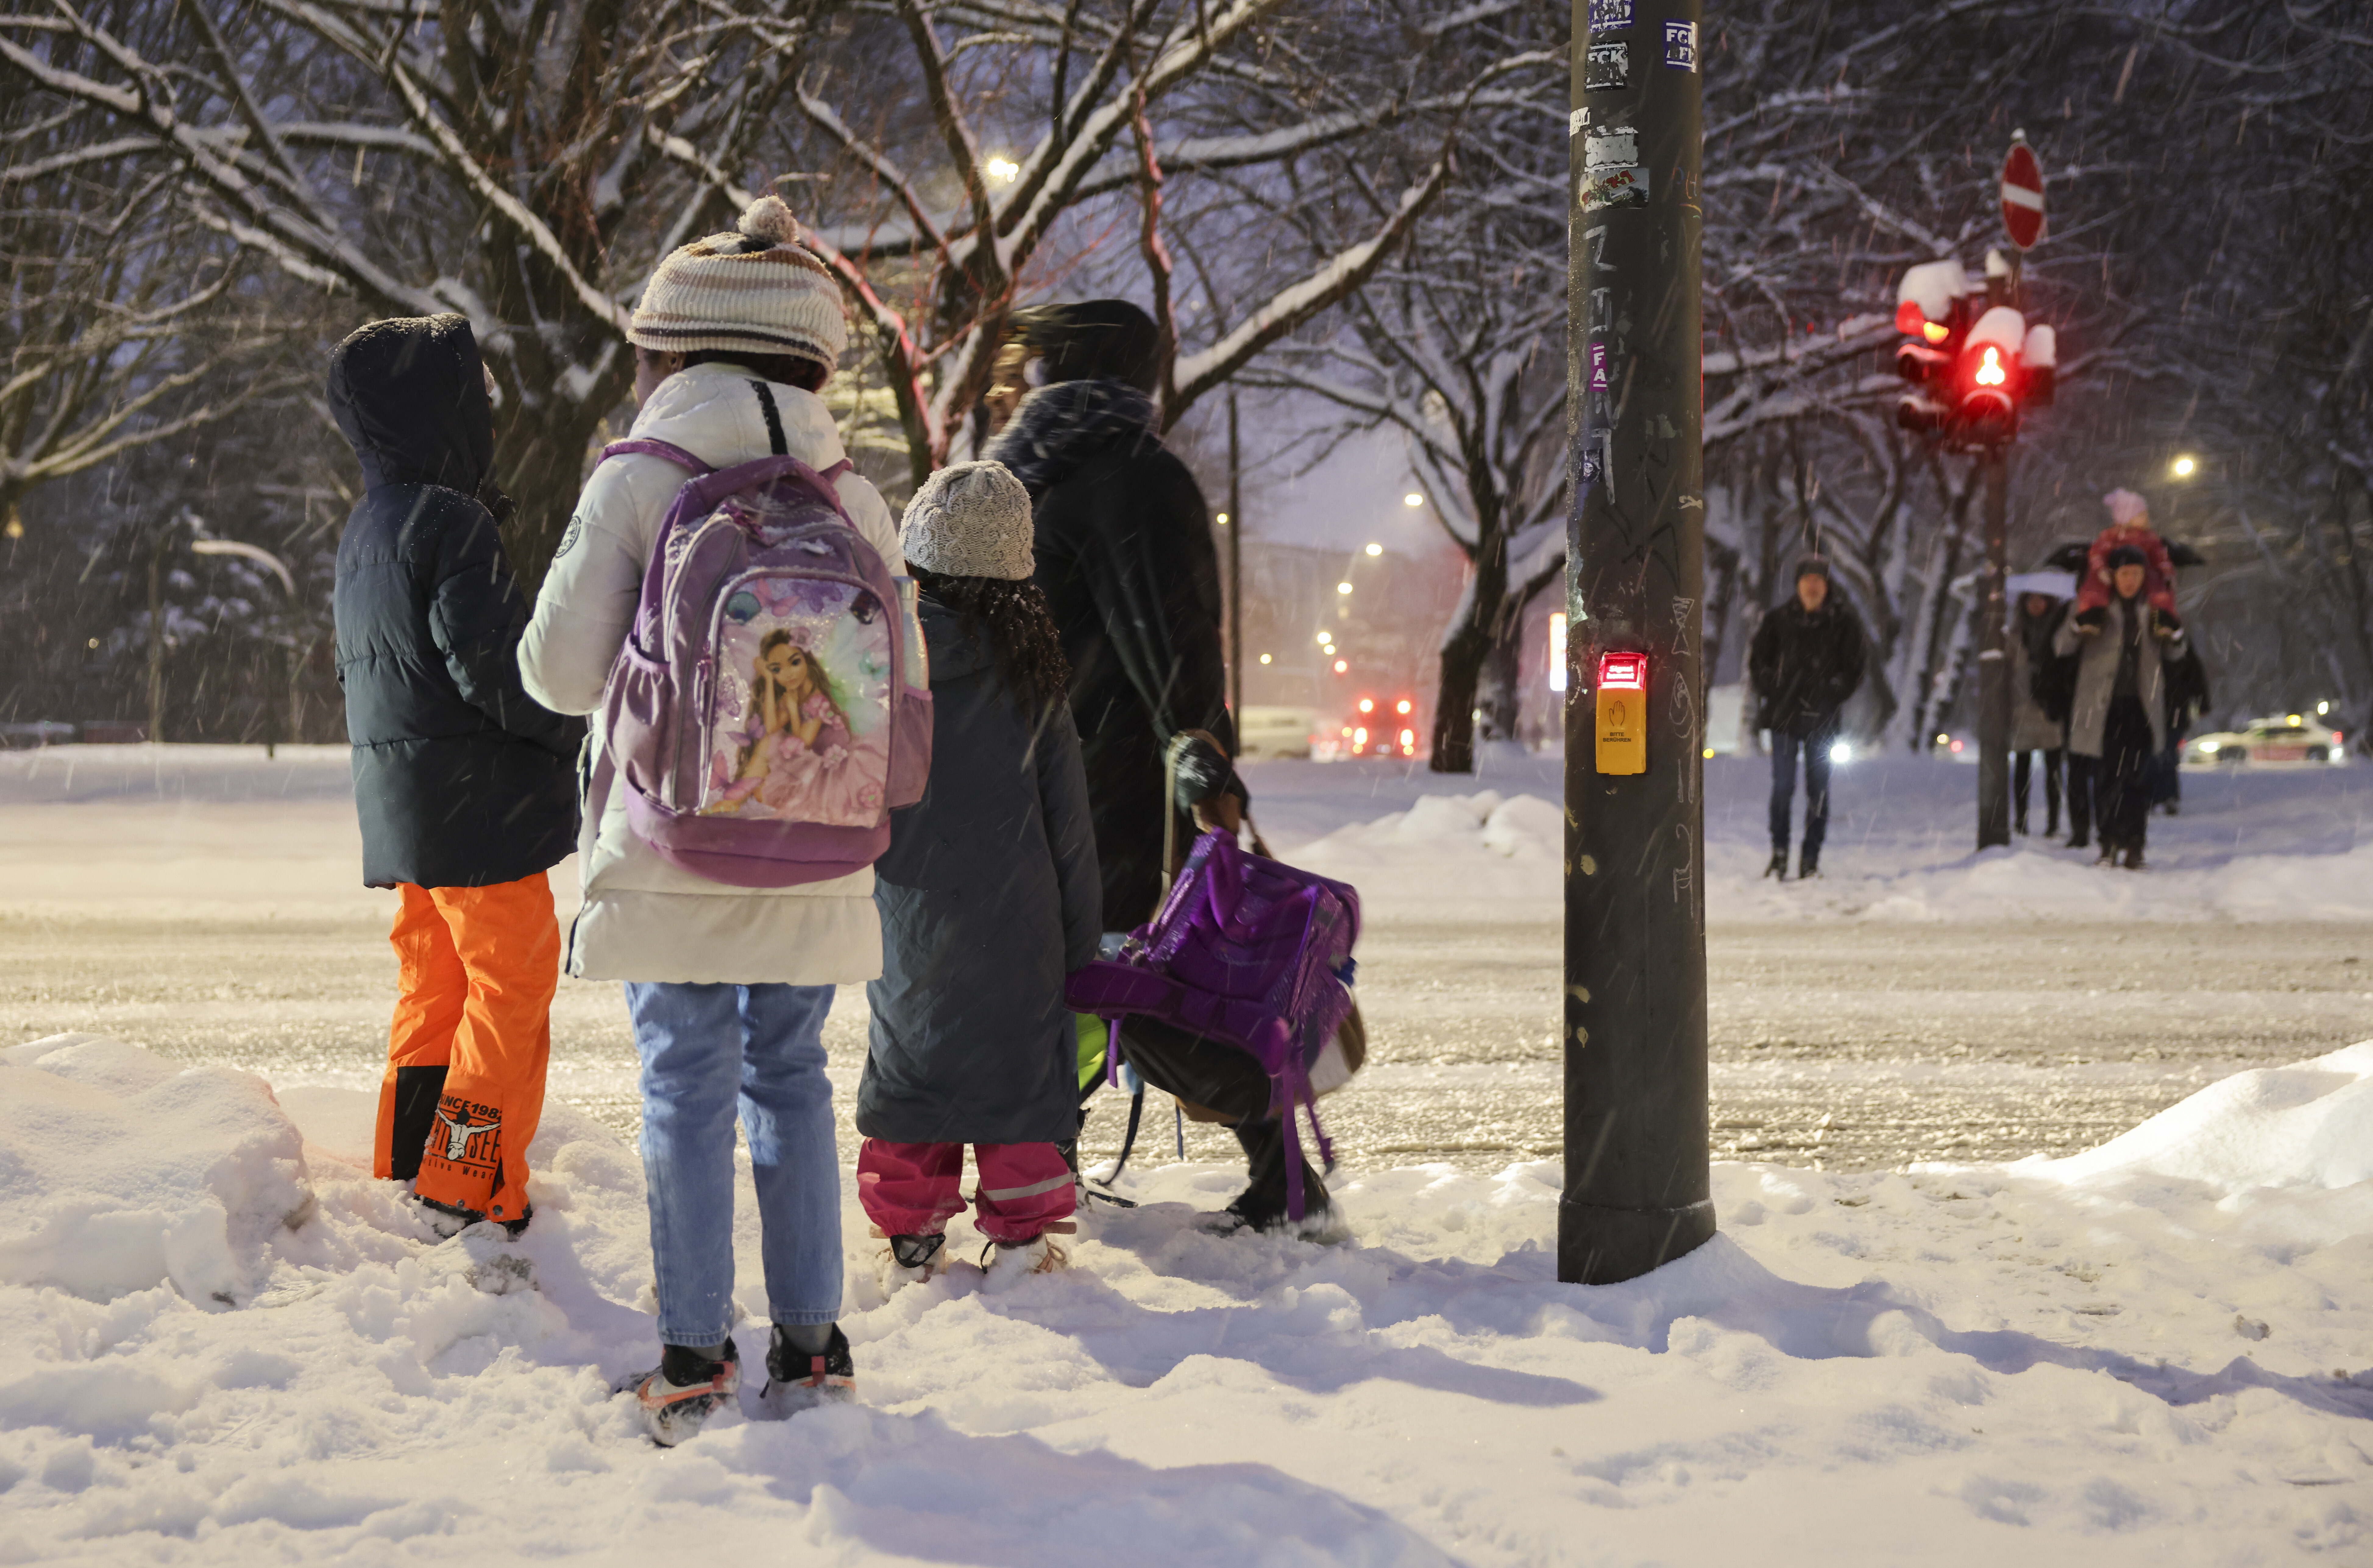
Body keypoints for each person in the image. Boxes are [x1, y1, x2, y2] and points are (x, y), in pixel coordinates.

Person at [518, 196, 892, 1444]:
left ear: (671, 350)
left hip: (675, 832)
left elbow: (558, 672)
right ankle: (813, 1343)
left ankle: (690, 1351)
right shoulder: (858, 497)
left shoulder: (640, 476)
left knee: (683, 1079)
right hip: (821, 844)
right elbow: (907, 697)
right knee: (793, 1075)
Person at [982, 301, 1324, 1238]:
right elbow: (1161, 638)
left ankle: (1053, 1171)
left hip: (1086, 776)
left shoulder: (1069, 478)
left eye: (1038, 361)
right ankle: (1273, 1179)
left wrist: (1192, 754)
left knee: (1116, 981)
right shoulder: (1110, 474)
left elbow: (1156, 638)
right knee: (1117, 978)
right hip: (1096, 774)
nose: (1024, 379)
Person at [328, 312, 581, 1238]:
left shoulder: (369, 525)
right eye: (477, 399)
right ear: (444, 414)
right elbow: (500, 671)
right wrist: (572, 731)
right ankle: (465, 1178)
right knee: (509, 985)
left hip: (408, 814)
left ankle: (409, 1154)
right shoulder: (450, 521)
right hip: (479, 813)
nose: (489, 416)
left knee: (435, 983)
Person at [855, 461, 1102, 1291]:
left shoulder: (886, 661)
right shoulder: (1032, 676)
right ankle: (1026, 1234)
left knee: (911, 1068)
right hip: (1019, 924)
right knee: (1017, 1077)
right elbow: (1069, 829)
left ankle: (911, 1229)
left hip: (907, 914)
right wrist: (1078, 950)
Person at [2054, 545, 2184, 871]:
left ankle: (2135, 843)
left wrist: (2176, 632)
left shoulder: (2154, 608)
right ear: (2112, 576)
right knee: (2107, 777)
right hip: (2104, 706)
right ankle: (2109, 842)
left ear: (2144, 577)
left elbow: (2175, 653)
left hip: (2141, 707)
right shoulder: (2092, 604)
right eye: (2124, 574)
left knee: (2138, 779)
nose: (2130, 581)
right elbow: (2061, 646)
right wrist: (2078, 625)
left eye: (2136, 574)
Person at [1747, 555, 1867, 880]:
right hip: (1785, 716)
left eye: (1818, 581)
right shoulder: (1778, 621)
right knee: (1783, 787)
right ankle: (1780, 854)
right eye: (1807, 580)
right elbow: (1758, 662)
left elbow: (1856, 666)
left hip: (1823, 719)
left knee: (1819, 790)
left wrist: (1833, 689)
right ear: (1798, 585)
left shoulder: (1843, 623)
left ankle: (1811, 858)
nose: (1812, 586)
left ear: (1827, 587)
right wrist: (1775, 685)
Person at [2008, 591, 2068, 837]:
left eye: (2041, 599)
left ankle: (2054, 822)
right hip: (2022, 706)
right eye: (2031, 599)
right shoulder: (2015, 633)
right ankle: (2021, 820)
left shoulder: (2059, 630)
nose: (2036, 604)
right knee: (2022, 769)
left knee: (2053, 768)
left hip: (2050, 706)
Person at [2072, 488, 2180, 620]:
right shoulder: (2112, 535)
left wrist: (2167, 572)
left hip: (2142, 572)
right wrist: (2100, 569)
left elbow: (2160, 556)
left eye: (2145, 515)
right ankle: (2092, 611)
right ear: (2126, 517)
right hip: (2115, 570)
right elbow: (2098, 553)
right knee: (2096, 582)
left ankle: (2163, 614)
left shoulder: (2149, 538)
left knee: (2157, 583)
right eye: (2141, 515)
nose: (2146, 519)